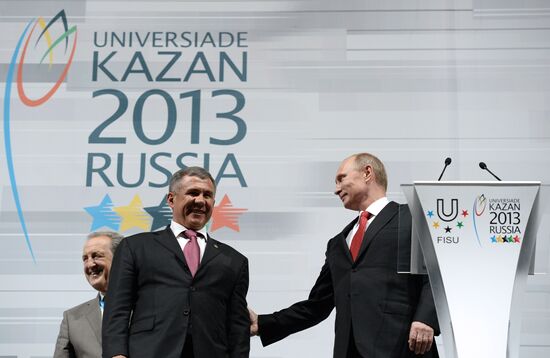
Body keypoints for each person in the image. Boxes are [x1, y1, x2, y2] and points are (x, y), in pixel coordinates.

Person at [249, 153, 439, 358]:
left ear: (367, 173)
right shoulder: (337, 244)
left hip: (403, 348)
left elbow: (436, 274)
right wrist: (262, 323)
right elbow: (317, 305)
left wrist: (426, 318)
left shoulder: (411, 218)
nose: (336, 189)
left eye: (341, 178)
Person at [102, 166, 250, 358]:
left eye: (207, 195)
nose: (200, 201)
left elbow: (238, 328)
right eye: (193, 193)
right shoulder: (135, 247)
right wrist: (116, 354)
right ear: (171, 199)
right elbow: (117, 310)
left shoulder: (234, 261)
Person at [54, 231, 124, 358]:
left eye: (97, 256)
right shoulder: (72, 319)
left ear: (120, 258)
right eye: (85, 259)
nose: (90, 264)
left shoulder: (148, 307)